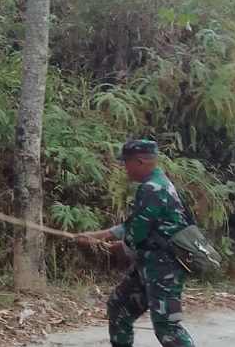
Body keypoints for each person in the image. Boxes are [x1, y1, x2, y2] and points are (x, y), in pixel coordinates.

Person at [74, 139, 195, 347]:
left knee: (167, 326)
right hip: (149, 264)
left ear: (139, 161)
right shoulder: (155, 184)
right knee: (119, 307)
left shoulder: (153, 188)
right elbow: (133, 225)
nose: (124, 168)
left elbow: (134, 234)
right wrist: (97, 235)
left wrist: (121, 246)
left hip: (165, 266)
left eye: (126, 162)